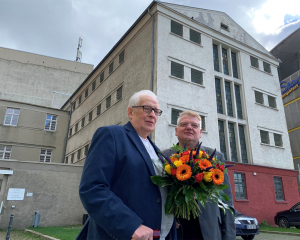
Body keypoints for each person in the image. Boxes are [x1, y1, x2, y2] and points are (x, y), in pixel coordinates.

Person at [77, 90, 176, 240]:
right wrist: (130, 225)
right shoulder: (112, 135)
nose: (153, 114)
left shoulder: (157, 152)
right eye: (147, 108)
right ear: (131, 112)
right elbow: (92, 188)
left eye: (156, 111)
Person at [162, 111, 235, 240]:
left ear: (200, 132)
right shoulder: (164, 157)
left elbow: (227, 201)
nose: (189, 127)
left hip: (208, 231)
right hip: (175, 231)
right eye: (184, 124)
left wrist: (229, 237)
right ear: (176, 130)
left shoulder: (216, 157)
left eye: (194, 125)